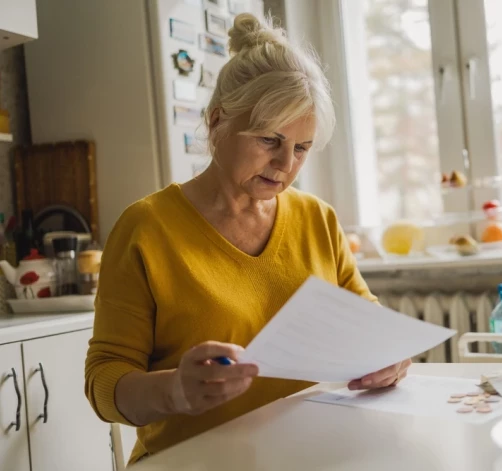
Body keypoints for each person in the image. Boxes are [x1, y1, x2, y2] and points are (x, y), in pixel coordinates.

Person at [84, 13, 411, 464]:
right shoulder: (147, 228)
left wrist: (389, 357)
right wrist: (175, 390)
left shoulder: (317, 218)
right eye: (268, 140)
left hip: (306, 456)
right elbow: (105, 381)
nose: (285, 165)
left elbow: (367, 324)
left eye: (301, 148)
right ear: (217, 121)